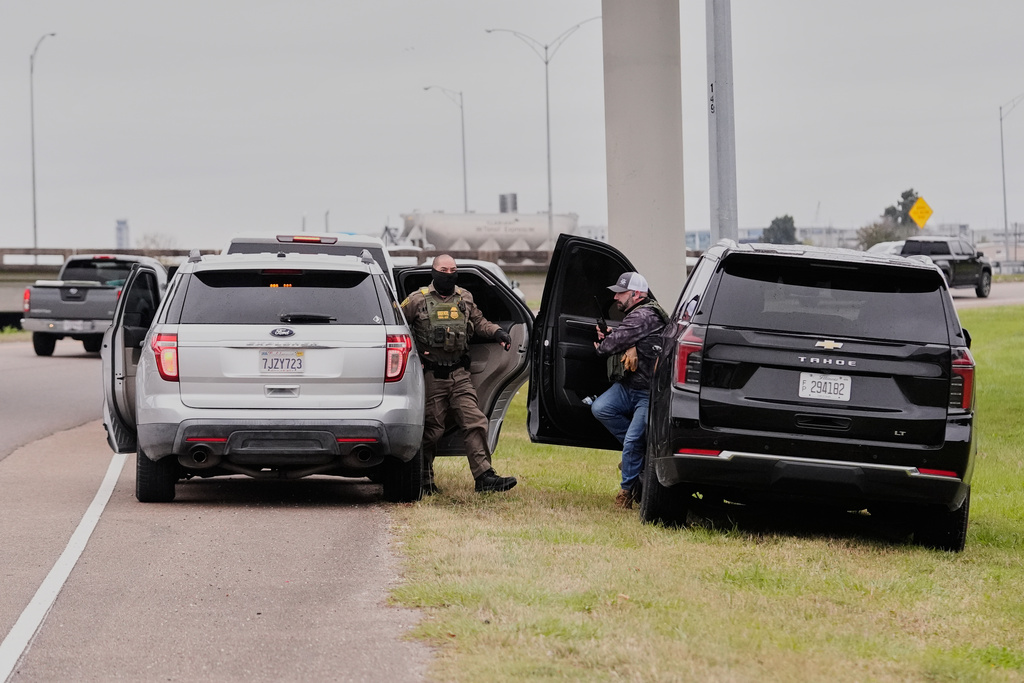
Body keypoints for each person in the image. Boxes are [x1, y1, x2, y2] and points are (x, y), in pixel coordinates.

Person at [401, 254, 518, 495]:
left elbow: (480, 321)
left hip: (459, 373)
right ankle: (423, 480)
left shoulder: (464, 298)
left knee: (475, 421)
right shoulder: (416, 300)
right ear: (434, 272)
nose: (449, 273)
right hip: (432, 375)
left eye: (453, 269)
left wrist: (498, 333)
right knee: (432, 430)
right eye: (444, 269)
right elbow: (399, 327)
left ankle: (484, 477)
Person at [591, 271, 669, 509]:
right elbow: (628, 336)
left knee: (633, 440)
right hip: (629, 386)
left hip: (648, 392)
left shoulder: (642, 316)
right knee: (601, 408)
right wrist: (618, 337)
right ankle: (639, 457)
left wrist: (603, 343)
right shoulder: (641, 315)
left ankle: (626, 492)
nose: (616, 298)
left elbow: (607, 348)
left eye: (621, 293)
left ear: (636, 294)